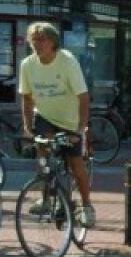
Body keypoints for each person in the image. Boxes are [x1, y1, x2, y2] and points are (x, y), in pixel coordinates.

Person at [19, 22, 95, 228]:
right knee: (43, 159)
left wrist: (80, 129)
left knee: (75, 163)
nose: (37, 43)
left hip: (69, 120)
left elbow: (83, 96)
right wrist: (27, 127)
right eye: (33, 39)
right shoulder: (27, 64)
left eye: (42, 39)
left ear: (53, 42)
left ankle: (87, 206)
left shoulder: (67, 61)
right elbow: (26, 97)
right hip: (44, 116)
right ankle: (45, 199)